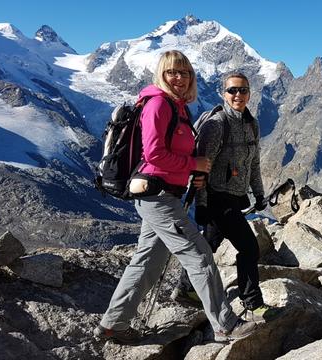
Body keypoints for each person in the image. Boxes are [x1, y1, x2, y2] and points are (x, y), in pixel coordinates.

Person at [93, 50, 256, 345]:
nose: (179, 78)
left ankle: (113, 324)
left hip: (164, 194)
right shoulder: (158, 104)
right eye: (172, 72)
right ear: (161, 75)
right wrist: (195, 165)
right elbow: (154, 154)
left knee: (147, 262)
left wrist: (191, 170)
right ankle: (225, 324)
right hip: (157, 195)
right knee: (200, 256)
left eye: (184, 73)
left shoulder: (177, 107)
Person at [172, 72, 275, 320]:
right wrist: (203, 204)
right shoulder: (215, 125)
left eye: (243, 90)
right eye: (232, 90)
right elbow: (200, 168)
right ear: (223, 93)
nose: (238, 95)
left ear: (250, 93)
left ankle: (186, 289)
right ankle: (252, 302)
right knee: (249, 248)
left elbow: (255, 163)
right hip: (217, 197)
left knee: (208, 245)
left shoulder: (252, 124)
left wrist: (259, 194)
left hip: (234, 197)